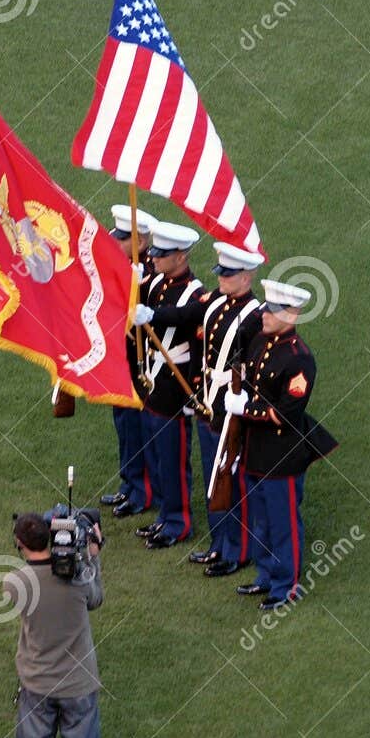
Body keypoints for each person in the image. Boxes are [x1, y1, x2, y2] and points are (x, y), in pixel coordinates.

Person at [225, 279, 339, 609]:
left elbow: (286, 415)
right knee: (259, 517)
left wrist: (245, 408)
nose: (264, 315)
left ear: (291, 315)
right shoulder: (263, 339)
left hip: (280, 453)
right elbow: (239, 341)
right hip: (254, 449)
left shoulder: (299, 359)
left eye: (272, 311)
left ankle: (285, 585)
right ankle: (266, 575)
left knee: (282, 521)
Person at [5, 512, 113, 738]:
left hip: (37, 683)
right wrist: (90, 556)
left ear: (20, 544)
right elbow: (95, 598)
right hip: (78, 684)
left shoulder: (15, 583)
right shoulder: (78, 576)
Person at [184, 242, 265, 577]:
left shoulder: (255, 317)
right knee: (212, 474)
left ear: (246, 278)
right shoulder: (217, 302)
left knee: (230, 478)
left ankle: (238, 550)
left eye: (229, 275)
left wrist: (243, 403)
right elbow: (202, 348)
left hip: (232, 407)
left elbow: (256, 365)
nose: (222, 279)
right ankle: (220, 542)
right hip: (209, 401)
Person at [131, 220, 204, 549]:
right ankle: (164, 514)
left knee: (172, 457)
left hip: (175, 382)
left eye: (163, 255)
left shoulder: (196, 291)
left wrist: (153, 315)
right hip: (152, 376)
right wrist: (130, 283)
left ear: (181, 257)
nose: (155, 258)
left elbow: (186, 316)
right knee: (156, 452)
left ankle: (178, 522)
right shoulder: (156, 279)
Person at [101, 203, 157, 518]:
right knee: (124, 425)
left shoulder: (148, 273)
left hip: (141, 364)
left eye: (122, 238)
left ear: (140, 242)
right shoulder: (125, 267)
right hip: (120, 360)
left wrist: (138, 284)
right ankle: (129, 484)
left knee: (137, 427)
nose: (115, 242)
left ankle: (142, 492)